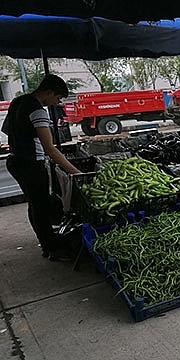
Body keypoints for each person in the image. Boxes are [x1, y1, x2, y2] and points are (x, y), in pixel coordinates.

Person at [1, 74, 81, 261]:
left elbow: (6, 129)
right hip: (30, 164)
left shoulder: (18, 102)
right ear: (49, 92)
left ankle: (47, 242)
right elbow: (50, 149)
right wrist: (76, 173)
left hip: (15, 160)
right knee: (41, 207)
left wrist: (23, 136)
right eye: (57, 98)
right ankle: (52, 248)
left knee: (36, 204)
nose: (55, 103)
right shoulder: (38, 111)